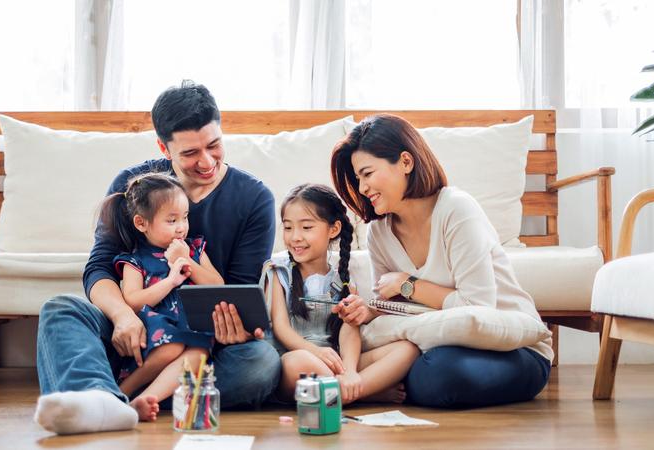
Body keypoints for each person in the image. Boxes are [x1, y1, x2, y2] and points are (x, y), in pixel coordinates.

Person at [34, 81, 280, 435]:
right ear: (163, 147)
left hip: (201, 344)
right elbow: (100, 267)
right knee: (61, 310)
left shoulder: (253, 198)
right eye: (190, 152)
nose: (207, 161)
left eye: (214, 145)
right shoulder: (134, 184)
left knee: (261, 363)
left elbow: (240, 290)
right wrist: (122, 317)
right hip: (135, 333)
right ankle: (103, 399)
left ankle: (110, 396)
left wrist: (231, 328)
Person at [329, 114, 553, 408]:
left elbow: (478, 310)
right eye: (358, 178)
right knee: (424, 367)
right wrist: (369, 311)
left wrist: (408, 285)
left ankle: (377, 383)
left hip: (513, 349)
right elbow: (393, 311)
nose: (361, 188)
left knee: (436, 375)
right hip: (435, 346)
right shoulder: (378, 233)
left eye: (367, 174)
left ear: (406, 162)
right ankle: (377, 383)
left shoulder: (456, 210)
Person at [263, 184, 415, 404]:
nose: (295, 237)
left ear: (333, 230)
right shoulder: (278, 271)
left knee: (406, 349)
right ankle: (364, 393)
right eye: (288, 228)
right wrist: (316, 352)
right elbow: (281, 328)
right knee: (299, 362)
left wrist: (350, 370)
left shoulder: (342, 278)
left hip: (334, 360)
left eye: (306, 227)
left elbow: (350, 328)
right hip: (297, 360)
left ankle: (349, 388)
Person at [98, 173, 222, 421]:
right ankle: (122, 391)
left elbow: (217, 285)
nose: (181, 227)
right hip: (158, 327)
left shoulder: (194, 248)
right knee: (171, 347)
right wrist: (171, 281)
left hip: (194, 328)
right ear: (142, 223)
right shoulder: (135, 260)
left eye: (185, 217)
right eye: (171, 220)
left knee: (198, 356)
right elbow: (133, 301)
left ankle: (144, 400)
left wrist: (185, 260)